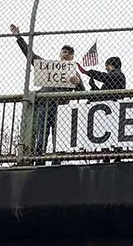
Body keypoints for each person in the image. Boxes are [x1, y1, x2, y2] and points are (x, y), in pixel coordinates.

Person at [11, 24, 83, 155]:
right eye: (64, 52)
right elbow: (31, 56)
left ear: (73, 57)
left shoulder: (74, 73)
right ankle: (39, 158)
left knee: (59, 137)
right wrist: (19, 38)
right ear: (60, 54)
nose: (66, 54)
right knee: (42, 134)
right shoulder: (49, 67)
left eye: (69, 53)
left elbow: (83, 94)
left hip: (61, 107)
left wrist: (77, 83)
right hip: (45, 104)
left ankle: (57, 162)